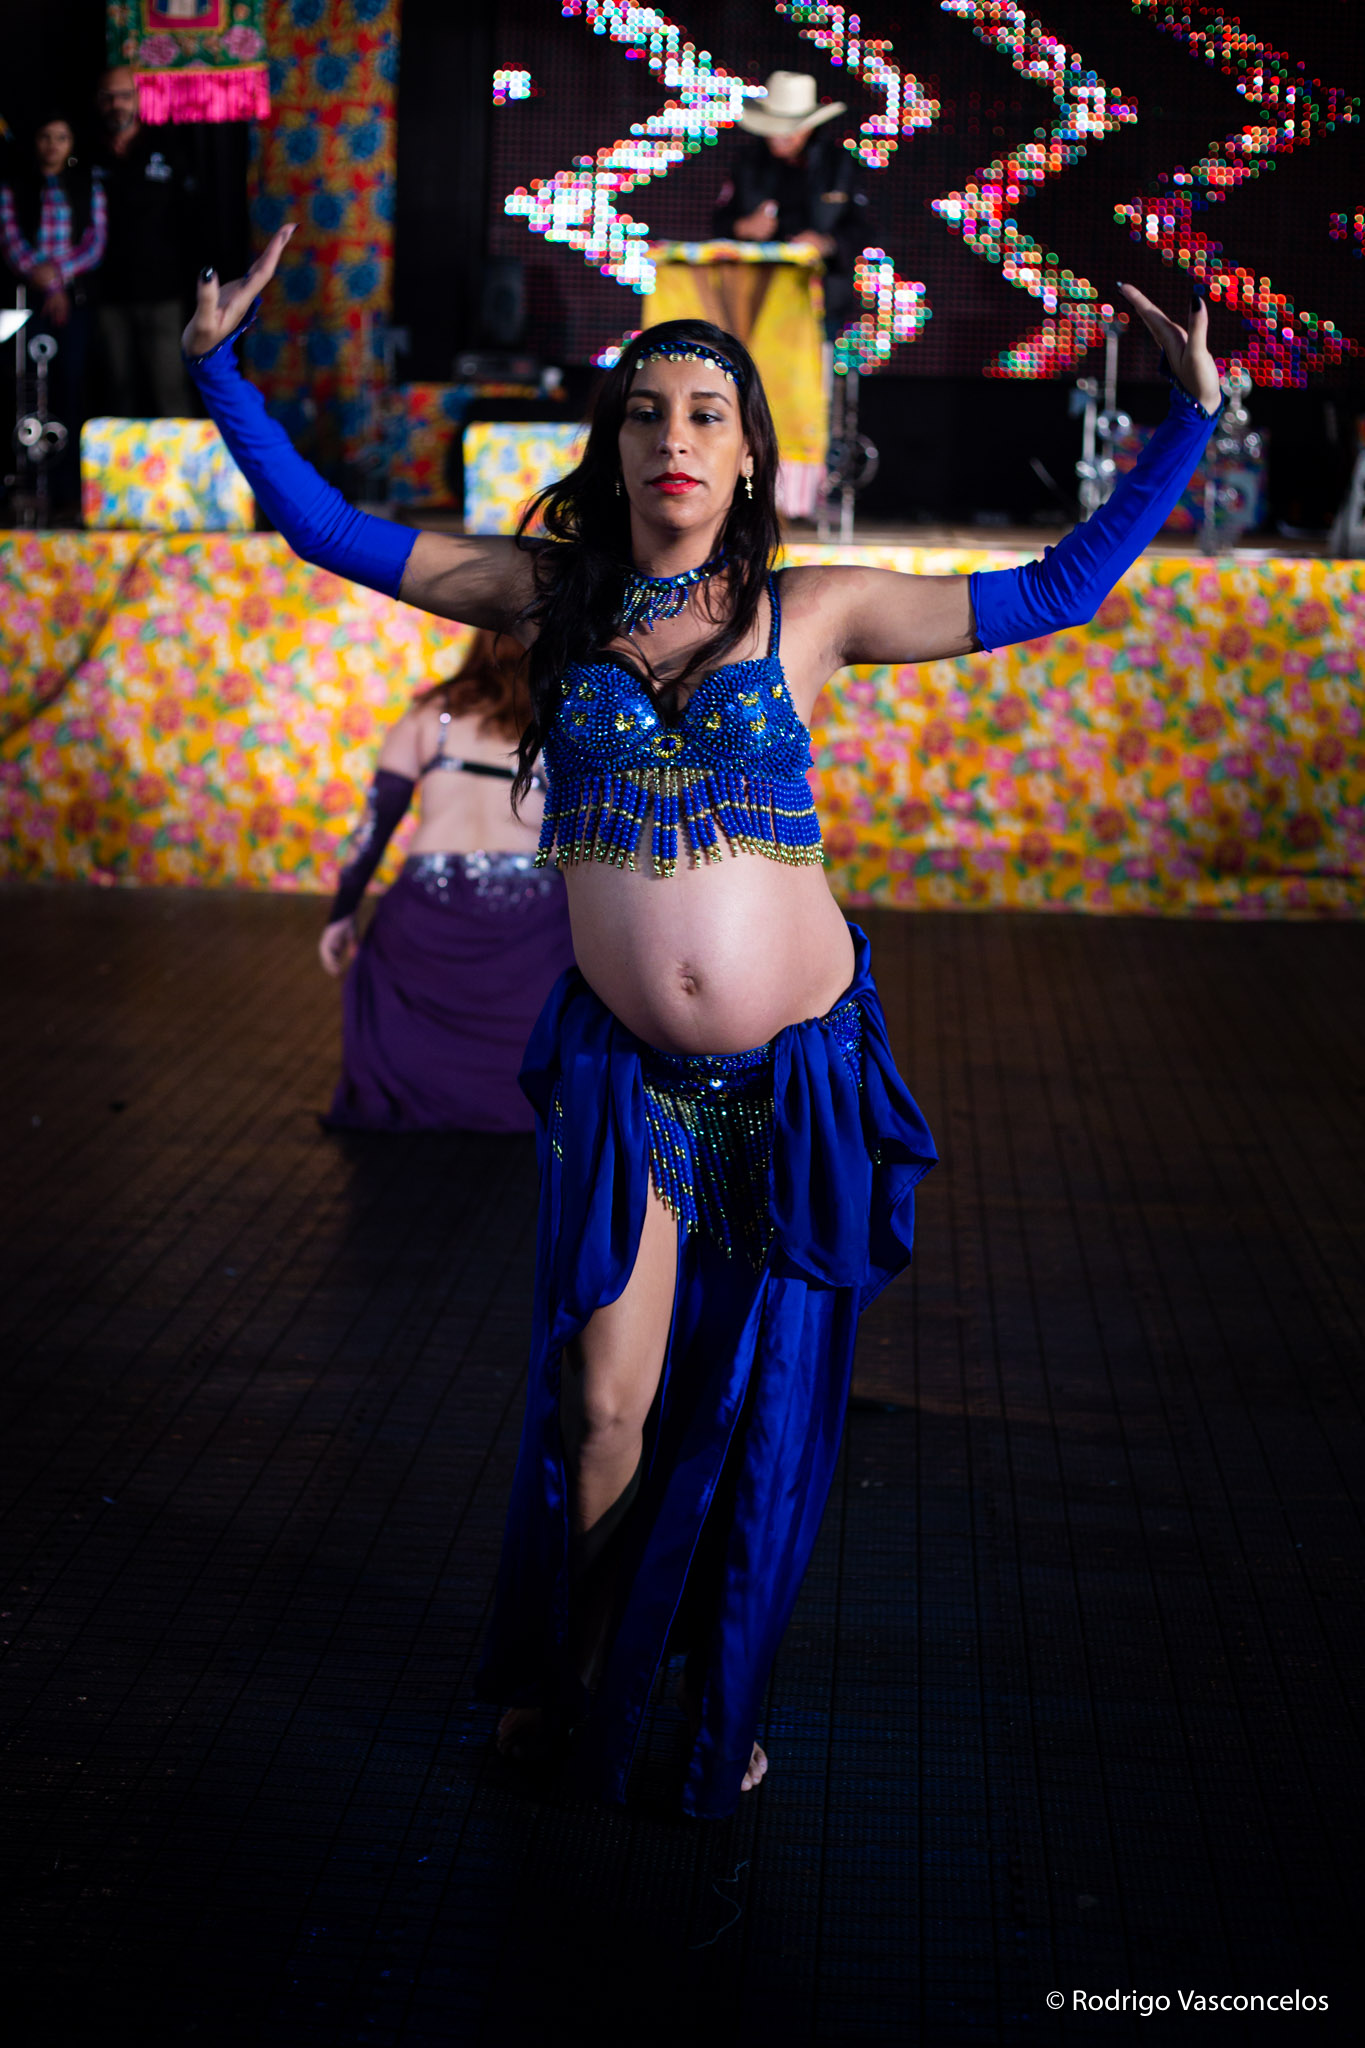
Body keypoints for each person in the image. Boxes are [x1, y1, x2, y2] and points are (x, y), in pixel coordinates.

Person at [183, 223, 1222, 1817]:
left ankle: (719, 1695)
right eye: (646, 412)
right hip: (628, 1084)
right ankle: (586, 1675)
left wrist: (1189, 422)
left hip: (792, 1080)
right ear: (613, 447)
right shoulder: (547, 596)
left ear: (749, 459)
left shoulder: (818, 613)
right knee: (602, 1403)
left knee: (760, 1420)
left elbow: (1061, 591)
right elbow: (323, 530)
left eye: (707, 415)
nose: (673, 437)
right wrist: (218, 374)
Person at [320, 630, 575, 1134]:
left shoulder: (430, 715)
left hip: (424, 904)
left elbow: (373, 829)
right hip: (530, 917)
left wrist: (342, 913)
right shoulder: (566, 719)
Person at [0, 113, 106, 512]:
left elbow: (95, 242)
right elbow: (10, 237)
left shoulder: (87, 184)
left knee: (71, 384)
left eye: (61, 137)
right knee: (26, 387)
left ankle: (69, 488)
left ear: (71, 143)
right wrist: (43, 279)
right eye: (46, 137)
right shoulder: (15, 185)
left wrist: (59, 279)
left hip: (73, 299)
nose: (53, 145)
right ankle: (27, 482)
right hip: (28, 301)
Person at [712, 70, 867, 339]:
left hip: (818, 301)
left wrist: (825, 243)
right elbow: (719, 222)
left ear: (809, 127)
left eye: (790, 128)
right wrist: (744, 227)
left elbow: (864, 228)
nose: (780, 136)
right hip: (754, 297)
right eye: (775, 126)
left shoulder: (839, 165)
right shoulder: (748, 162)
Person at [92, 67, 192, 416]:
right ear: (98, 102)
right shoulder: (86, 152)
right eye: (108, 97)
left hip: (163, 292)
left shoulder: (167, 148)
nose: (116, 104)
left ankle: (176, 455)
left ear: (137, 99)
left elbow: (192, 218)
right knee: (115, 391)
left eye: (124, 95)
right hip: (107, 293)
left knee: (169, 388)